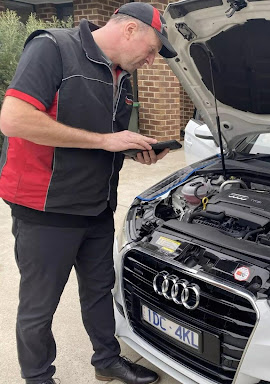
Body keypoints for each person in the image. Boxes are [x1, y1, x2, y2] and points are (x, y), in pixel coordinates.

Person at [0, 3, 177, 384]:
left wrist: (134, 150)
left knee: (99, 290)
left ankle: (106, 361)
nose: (150, 61)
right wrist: (105, 140)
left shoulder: (121, 77)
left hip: (97, 206)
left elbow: (100, 145)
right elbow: (14, 119)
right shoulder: (52, 48)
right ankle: (38, 378)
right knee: (39, 306)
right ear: (130, 29)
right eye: (151, 49)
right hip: (46, 207)